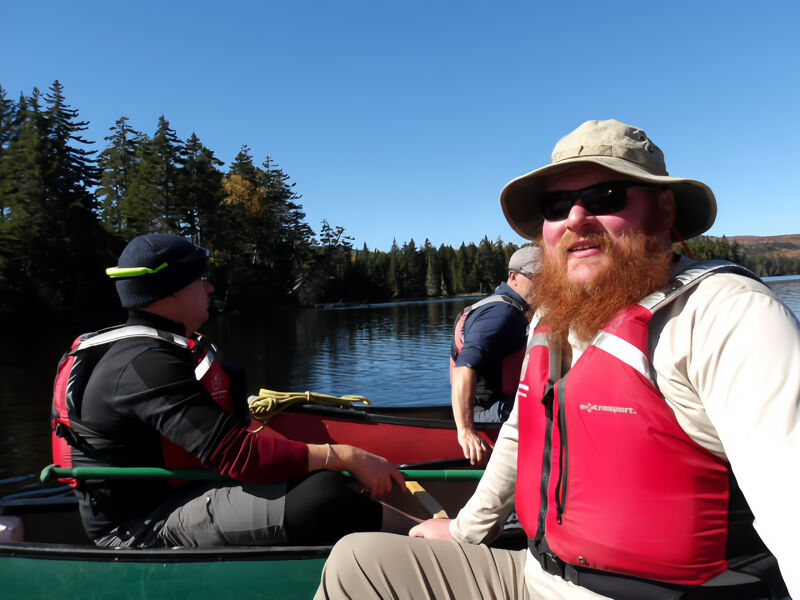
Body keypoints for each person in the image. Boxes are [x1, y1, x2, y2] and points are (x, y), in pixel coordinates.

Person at [314, 119, 799, 599]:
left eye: (607, 197)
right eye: (557, 204)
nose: (575, 218)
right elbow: (523, 430)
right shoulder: (552, 317)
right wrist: (464, 531)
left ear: (664, 208)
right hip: (539, 574)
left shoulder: (726, 315)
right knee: (357, 562)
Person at [51, 233, 409, 549]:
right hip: (140, 527)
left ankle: (418, 533)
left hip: (177, 495)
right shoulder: (144, 363)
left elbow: (238, 436)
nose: (209, 288)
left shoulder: (149, 349)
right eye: (199, 279)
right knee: (321, 495)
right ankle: (428, 536)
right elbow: (239, 455)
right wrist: (345, 455)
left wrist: (328, 461)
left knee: (315, 476)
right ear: (169, 291)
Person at [450, 245, 539, 465]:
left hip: (493, 407)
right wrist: (466, 430)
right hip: (490, 413)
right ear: (514, 276)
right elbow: (464, 366)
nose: (545, 285)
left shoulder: (513, 308)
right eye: (538, 278)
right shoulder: (502, 315)